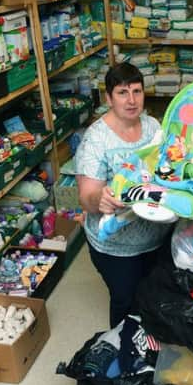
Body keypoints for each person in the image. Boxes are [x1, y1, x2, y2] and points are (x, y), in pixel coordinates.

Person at [75, 63, 172, 328]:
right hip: (117, 248)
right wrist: (100, 200)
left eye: (137, 91)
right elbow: (86, 196)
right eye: (122, 92)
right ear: (108, 98)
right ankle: (122, 354)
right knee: (126, 303)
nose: (131, 100)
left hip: (157, 235)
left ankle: (150, 350)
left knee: (155, 298)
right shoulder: (97, 140)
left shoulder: (153, 127)